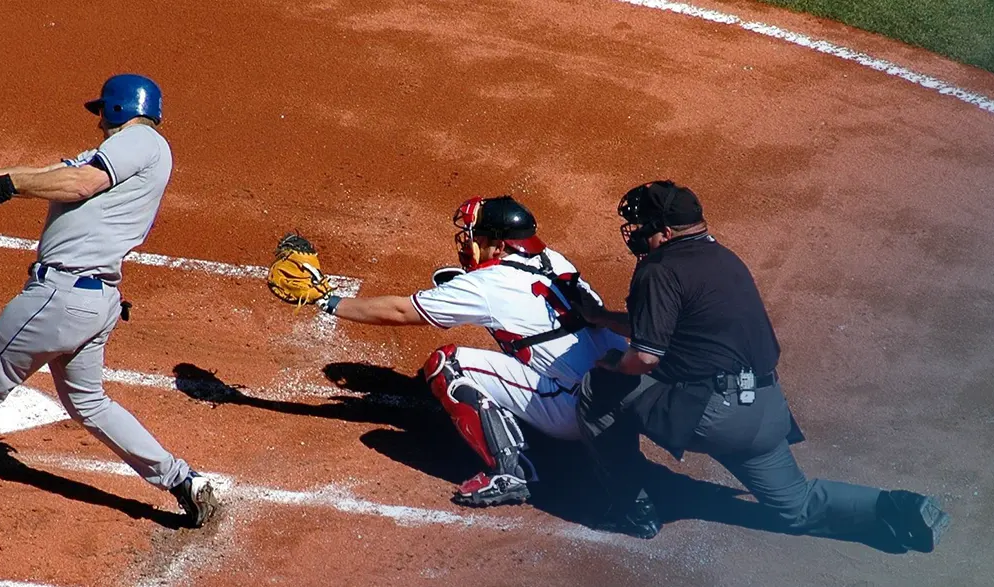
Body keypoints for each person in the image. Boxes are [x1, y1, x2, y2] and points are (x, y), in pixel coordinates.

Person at [0, 74, 216, 529]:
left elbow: (78, 184)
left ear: (119, 108)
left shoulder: (140, 141)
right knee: (90, 403)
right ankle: (181, 481)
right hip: (94, 302)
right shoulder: (129, 154)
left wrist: (9, 182)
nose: (99, 123)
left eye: (103, 112)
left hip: (58, 297)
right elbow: (59, 178)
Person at [575, 180, 950, 550]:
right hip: (765, 411)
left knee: (600, 387)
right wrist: (604, 318)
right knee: (795, 505)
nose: (639, 234)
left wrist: (617, 365)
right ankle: (900, 506)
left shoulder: (659, 269)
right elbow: (670, 327)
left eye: (644, 226)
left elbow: (645, 356)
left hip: (713, 415)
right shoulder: (725, 259)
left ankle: (632, 509)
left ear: (666, 231)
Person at [305, 195, 628, 507]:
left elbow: (401, 312)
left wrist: (326, 301)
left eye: (477, 236)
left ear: (500, 245)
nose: (466, 242)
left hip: (576, 414)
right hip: (626, 395)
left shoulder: (485, 285)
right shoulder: (554, 260)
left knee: (448, 365)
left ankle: (512, 474)